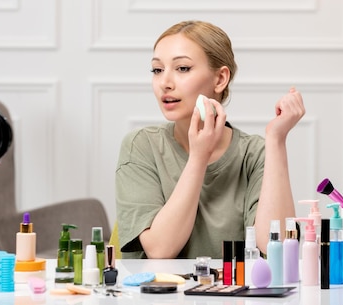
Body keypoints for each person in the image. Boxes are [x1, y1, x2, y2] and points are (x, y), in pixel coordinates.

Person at [115, 20, 305, 259]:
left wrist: (276, 140)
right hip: (159, 296)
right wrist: (198, 157)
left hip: (234, 296)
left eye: (182, 68)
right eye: (157, 70)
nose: (165, 83)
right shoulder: (141, 146)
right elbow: (160, 250)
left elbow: (275, 248)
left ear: (220, 79)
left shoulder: (254, 152)